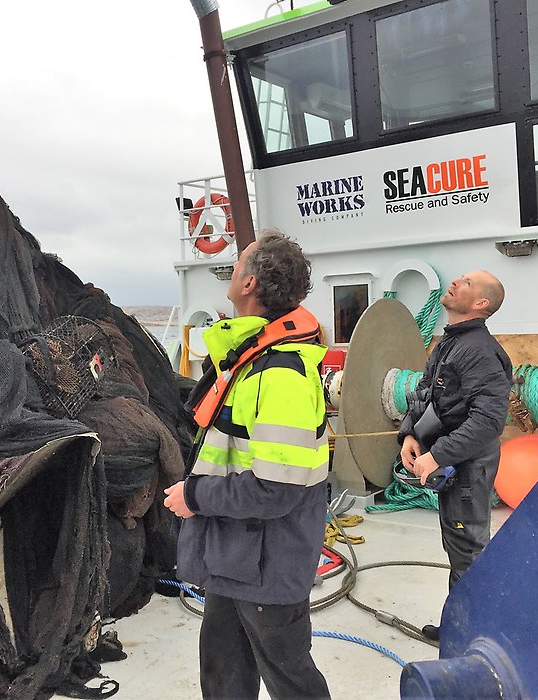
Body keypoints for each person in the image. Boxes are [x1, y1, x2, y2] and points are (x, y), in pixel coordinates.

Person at [163, 229, 331, 700]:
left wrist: (194, 496)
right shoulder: (250, 360)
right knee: (223, 675)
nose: (233, 270)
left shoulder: (280, 375)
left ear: (251, 283)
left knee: (291, 680)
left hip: (266, 568)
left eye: (239, 263)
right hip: (234, 559)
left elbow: (277, 490)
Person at [398, 270, 512, 642]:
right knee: (459, 547)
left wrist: (438, 455)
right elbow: (425, 393)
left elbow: (489, 420)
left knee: (468, 553)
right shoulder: (450, 343)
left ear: (480, 304)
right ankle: (461, 628)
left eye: (465, 282)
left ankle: (472, 638)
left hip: (468, 470)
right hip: (450, 463)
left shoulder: (479, 350)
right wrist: (410, 434)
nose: (455, 282)